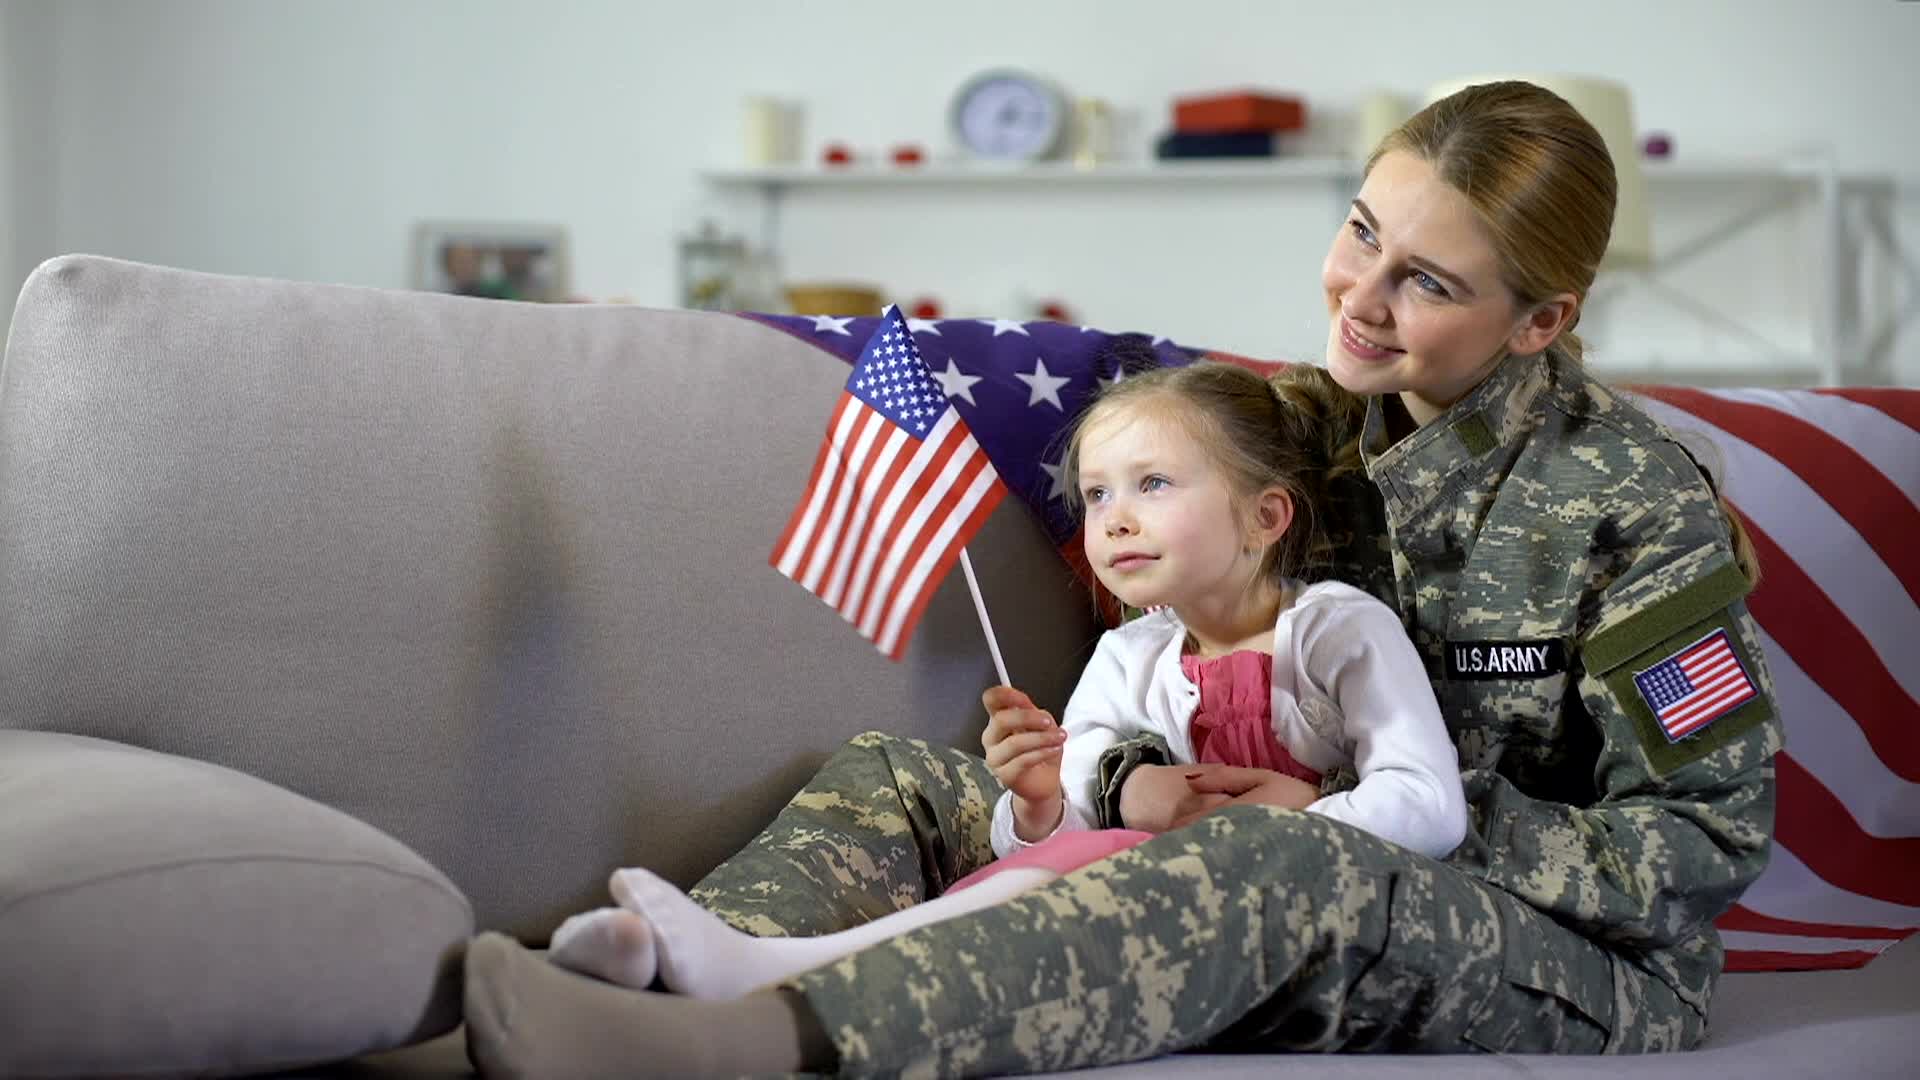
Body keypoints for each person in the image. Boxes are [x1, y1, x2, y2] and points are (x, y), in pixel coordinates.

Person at [461, 80, 1782, 1078]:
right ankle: (661, 981)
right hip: (1271, 834)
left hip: (1577, 967)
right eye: (1361, 233)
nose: (1360, 297)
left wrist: (1355, 809)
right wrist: (1108, 782)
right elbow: (1132, 455)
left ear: (1540, 321)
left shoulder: (1633, 498)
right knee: (904, 776)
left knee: (1274, 863)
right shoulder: (1304, 429)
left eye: (1425, 280)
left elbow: (1702, 847)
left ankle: (765, 1045)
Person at [536, 361, 1469, 1001]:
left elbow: (1429, 803)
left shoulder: (1339, 629)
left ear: (1266, 516)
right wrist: (1031, 804)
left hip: (1282, 923)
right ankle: (691, 946)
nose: (1116, 520)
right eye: (1099, 494)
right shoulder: (1131, 655)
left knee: (1083, 873)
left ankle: (771, 971)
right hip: (1125, 888)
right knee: (1039, 846)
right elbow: (1065, 825)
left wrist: (1292, 821)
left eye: (1153, 484)